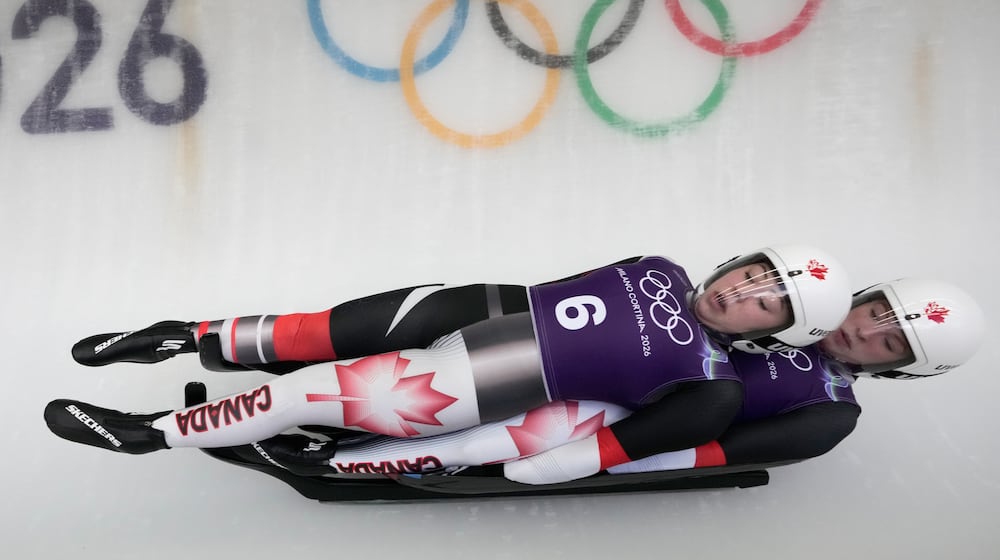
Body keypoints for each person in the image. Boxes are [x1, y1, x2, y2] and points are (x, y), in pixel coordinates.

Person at [46, 245, 852, 484]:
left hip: (482, 383)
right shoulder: (662, 267)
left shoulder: (708, 382)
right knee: (321, 329)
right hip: (481, 309)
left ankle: (152, 433)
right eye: (753, 274)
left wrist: (567, 462)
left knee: (299, 395)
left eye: (766, 301)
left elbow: (639, 437)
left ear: (778, 335)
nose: (743, 292)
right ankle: (188, 334)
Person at [228, 277, 983, 485]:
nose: (864, 331)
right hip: (586, 362)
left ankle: (343, 460)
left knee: (518, 430)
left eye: (891, 341)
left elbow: (709, 452)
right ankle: (298, 363)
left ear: (904, 368)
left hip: (609, 421)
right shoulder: (788, 304)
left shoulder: (830, 412)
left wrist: (599, 458)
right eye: (879, 311)